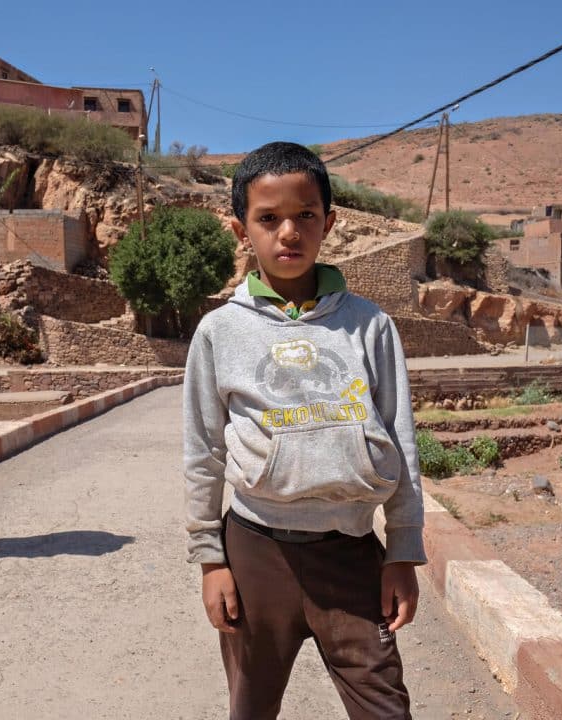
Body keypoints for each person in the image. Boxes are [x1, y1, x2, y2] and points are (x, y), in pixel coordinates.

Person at [183, 142, 425, 719]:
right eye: (268, 218)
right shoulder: (220, 331)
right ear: (242, 229)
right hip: (254, 553)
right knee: (252, 706)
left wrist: (403, 552)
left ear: (329, 223)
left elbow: (403, 440)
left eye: (305, 216)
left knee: (384, 706)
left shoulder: (370, 326)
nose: (288, 231)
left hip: (351, 552)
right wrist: (210, 559)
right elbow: (203, 452)